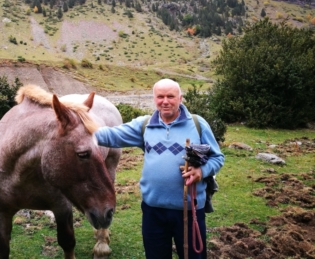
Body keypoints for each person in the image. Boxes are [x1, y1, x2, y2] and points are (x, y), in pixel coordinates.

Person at [95, 78, 224, 259]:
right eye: (160, 96)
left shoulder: (197, 124)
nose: (165, 101)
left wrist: (201, 172)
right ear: (154, 99)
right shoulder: (145, 125)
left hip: (189, 210)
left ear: (180, 98)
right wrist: (76, 127)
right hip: (153, 211)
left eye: (170, 96)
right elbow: (110, 135)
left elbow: (217, 158)